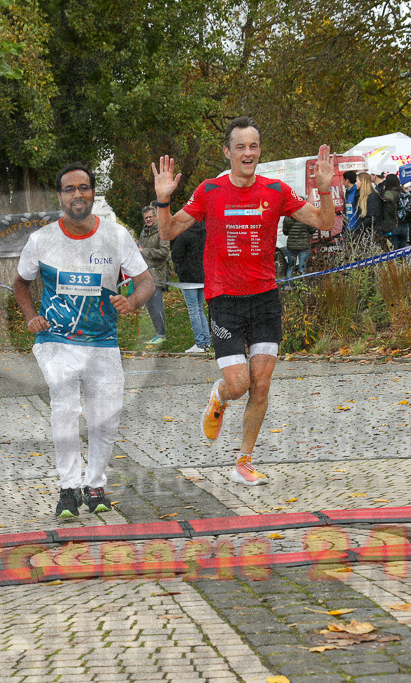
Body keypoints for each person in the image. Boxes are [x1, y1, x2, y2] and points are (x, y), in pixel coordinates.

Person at [151, 116, 334, 486]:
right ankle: (219, 396)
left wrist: (325, 190)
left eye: (253, 146)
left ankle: (243, 462)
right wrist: (163, 199)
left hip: (265, 298)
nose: (247, 153)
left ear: (259, 150)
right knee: (239, 385)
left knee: (262, 385)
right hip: (225, 301)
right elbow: (168, 231)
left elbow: (324, 222)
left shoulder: (276, 190)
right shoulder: (210, 191)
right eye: (240, 147)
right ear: (228, 151)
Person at [14, 162, 154, 518]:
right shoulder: (41, 239)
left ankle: (95, 486)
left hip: (103, 341)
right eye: (69, 189)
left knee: (104, 419)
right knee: (64, 410)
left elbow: (146, 281)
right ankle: (67, 489)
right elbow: (20, 282)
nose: (78, 194)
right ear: (60, 196)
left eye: (84, 187)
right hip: (56, 341)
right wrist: (32, 316)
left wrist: (133, 300)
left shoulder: (116, 236)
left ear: (93, 192)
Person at [170, 220, 211, 353]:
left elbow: (176, 255)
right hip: (202, 274)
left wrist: (179, 268)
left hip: (188, 277)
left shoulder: (184, 234)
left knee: (193, 309)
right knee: (199, 308)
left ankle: (200, 343)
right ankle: (206, 342)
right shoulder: (205, 232)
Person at [137, 204, 170, 346]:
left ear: (155, 217)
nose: (148, 220)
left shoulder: (162, 231)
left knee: (157, 305)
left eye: (150, 217)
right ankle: (157, 333)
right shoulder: (143, 232)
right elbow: (139, 249)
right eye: (146, 218)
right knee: (150, 306)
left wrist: (144, 251)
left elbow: (164, 253)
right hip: (145, 276)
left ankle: (162, 334)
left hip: (157, 274)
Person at [281, 212, 316, 279]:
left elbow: (285, 232)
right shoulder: (307, 216)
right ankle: (301, 288)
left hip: (291, 246)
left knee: (290, 267)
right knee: (302, 268)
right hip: (304, 246)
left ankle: (288, 286)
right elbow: (312, 230)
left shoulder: (287, 217)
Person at [355, 172, 385, 244]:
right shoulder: (360, 196)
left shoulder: (372, 196)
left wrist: (359, 228)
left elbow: (372, 217)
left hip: (372, 234)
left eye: (357, 181)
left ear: (363, 181)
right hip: (365, 233)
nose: (355, 183)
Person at [380, 174, 407, 250]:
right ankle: (404, 262)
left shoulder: (388, 193)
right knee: (403, 252)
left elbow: (387, 210)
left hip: (393, 226)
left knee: (393, 253)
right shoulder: (402, 192)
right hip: (404, 225)